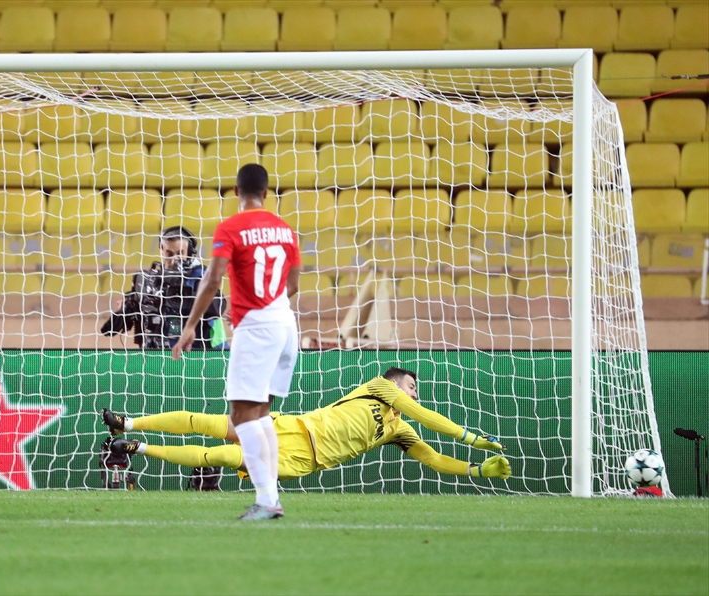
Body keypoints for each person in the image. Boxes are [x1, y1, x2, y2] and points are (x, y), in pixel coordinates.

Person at [102, 367, 512, 483]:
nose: (413, 395)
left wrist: (475, 469)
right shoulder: (378, 388)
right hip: (295, 426)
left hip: (304, 459)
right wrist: (472, 438)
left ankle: (138, 449)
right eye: (410, 387)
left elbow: (433, 459)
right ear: (393, 384)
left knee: (222, 456)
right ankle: (129, 423)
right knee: (210, 423)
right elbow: (427, 416)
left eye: (414, 391)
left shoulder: (399, 430)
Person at [171, 163, 300, 520]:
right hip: (286, 325)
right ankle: (271, 496)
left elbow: (212, 278)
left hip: (257, 329)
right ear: (267, 193)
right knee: (261, 413)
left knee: (241, 416)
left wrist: (190, 325)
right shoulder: (285, 229)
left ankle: (267, 500)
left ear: (236, 192)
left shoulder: (231, 227)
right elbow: (292, 284)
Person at [100, 226, 227, 351]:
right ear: (162, 252)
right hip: (158, 351)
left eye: (180, 253)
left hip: (198, 351)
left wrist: (186, 299)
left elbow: (219, 305)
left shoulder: (201, 276)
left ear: (189, 253)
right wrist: (129, 306)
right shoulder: (150, 279)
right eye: (169, 254)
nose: (174, 260)